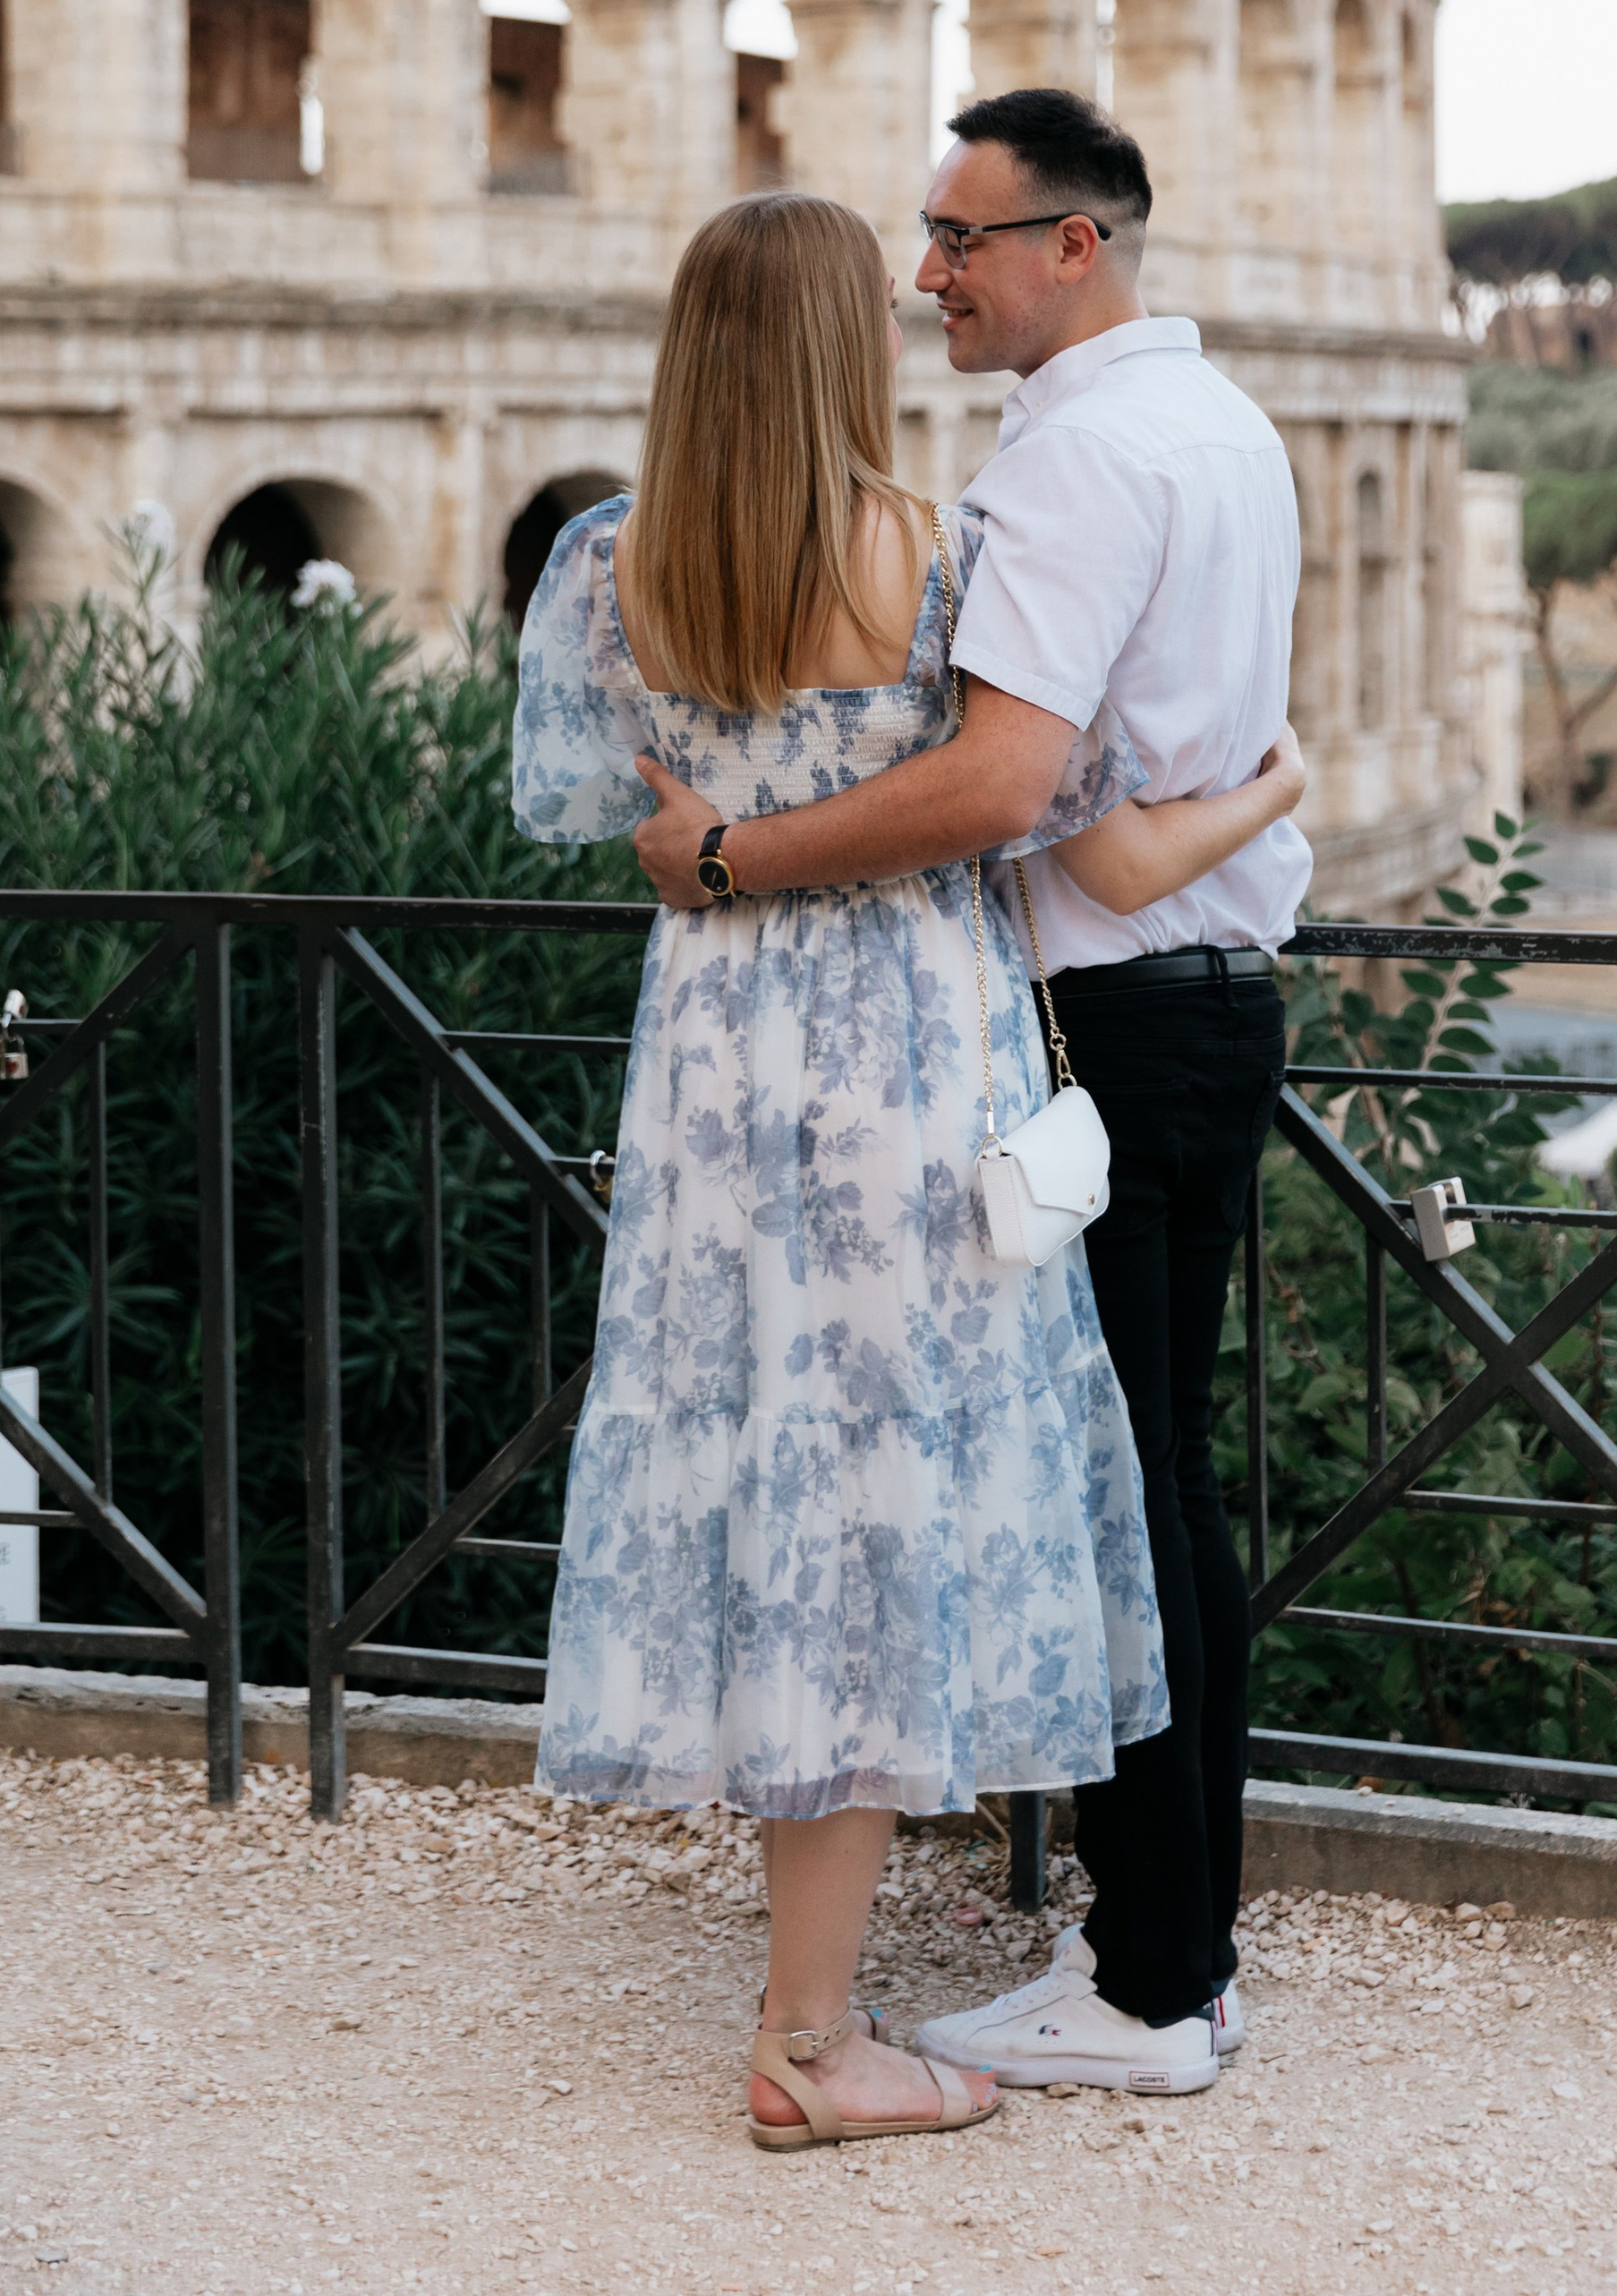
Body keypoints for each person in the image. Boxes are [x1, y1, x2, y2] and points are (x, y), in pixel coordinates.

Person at [513, 187, 1306, 2147]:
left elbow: (586, 806)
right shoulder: (931, 559)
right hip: (901, 1055)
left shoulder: (611, 570)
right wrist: (1280, 784)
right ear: (835, 354)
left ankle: (814, 2005)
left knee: (756, 1468)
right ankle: (805, 2045)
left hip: (708, 1063)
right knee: (879, 1486)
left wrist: (709, 834)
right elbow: (1087, 814)